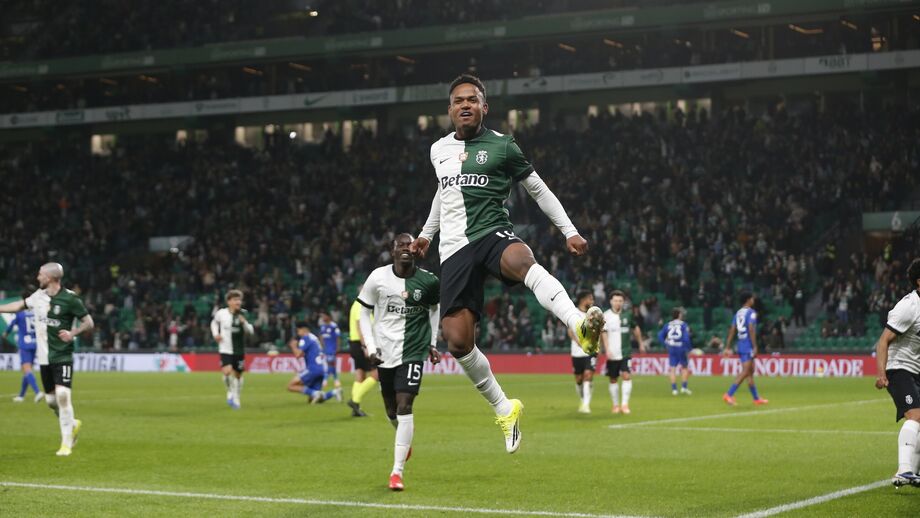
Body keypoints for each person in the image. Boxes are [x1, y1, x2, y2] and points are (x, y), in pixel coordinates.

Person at [410, 74, 604, 454]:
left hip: (491, 232)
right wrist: (425, 235)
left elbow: (537, 188)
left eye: (472, 99)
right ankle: (504, 406)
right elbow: (443, 192)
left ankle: (578, 324)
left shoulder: (502, 147)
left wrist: (569, 230)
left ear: (485, 107)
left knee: (521, 258)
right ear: (449, 110)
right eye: (458, 100)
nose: (465, 105)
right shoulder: (438, 150)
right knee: (458, 341)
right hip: (453, 251)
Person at [357, 233, 441, 490]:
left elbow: (435, 309)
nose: (405, 248)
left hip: (413, 351)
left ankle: (396, 473)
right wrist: (370, 347)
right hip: (384, 351)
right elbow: (363, 312)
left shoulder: (428, 281)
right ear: (392, 250)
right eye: (400, 245)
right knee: (391, 410)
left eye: (409, 245)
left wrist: (432, 342)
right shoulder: (378, 278)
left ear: (416, 250)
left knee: (405, 406)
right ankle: (404, 440)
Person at [0, 262, 94, 456]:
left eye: (40, 274)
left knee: (62, 396)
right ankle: (73, 423)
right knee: (51, 401)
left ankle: (66, 444)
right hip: (45, 359)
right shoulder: (38, 297)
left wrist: (73, 332)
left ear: (50, 278)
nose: (37, 278)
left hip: (62, 355)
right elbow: (18, 305)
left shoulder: (70, 299)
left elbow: (89, 322)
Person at [874, 258, 920, 487]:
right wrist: (882, 373)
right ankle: (904, 471)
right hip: (899, 368)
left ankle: (908, 471)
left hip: (916, 371)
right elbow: (882, 342)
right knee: (915, 415)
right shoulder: (909, 306)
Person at [601, 290, 644, 414]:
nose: (618, 303)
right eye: (615, 300)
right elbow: (603, 333)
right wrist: (606, 349)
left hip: (625, 352)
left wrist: (640, 343)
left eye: (620, 301)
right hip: (612, 353)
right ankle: (615, 405)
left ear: (623, 302)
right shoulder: (606, 315)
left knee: (626, 376)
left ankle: (625, 404)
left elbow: (636, 329)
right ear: (611, 301)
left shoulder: (628, 315)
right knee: (613, 379)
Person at [722, 292, 768, 406]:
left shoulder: (738, 313)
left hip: (740, 343)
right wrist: (755, 346)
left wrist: (727, 346)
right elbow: (751, 329)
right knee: (746, 371)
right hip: (747, 345)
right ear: (748, 300)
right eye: (752, 298)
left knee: (750, 371)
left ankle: (756, 398)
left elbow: (732, 329)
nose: (753, 300)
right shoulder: (751, 313)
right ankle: (729, 394)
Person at [210, 290, 253, 410]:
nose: (238, 302)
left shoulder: (244, 314)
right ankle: (230, 391)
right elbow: (213, 323)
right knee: (227, 371)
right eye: (235, 300)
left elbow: (251, 331)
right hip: (225, 349)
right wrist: (216, 334)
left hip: (239, 350)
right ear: (229, 301)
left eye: (239, 300)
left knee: (238, 375)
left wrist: (244, 323)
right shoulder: (221, 313)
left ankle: (237, 396)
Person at [347, 287, 378, 417]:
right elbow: (360, 326)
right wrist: (366, 346)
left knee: (360, 374)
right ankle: (355, 401)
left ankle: (356, 408)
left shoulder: (355, 305)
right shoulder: (361, 305)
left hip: (355, 343)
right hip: (361, 344)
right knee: (377, 374)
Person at [287, 322, 337, 404]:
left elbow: (298, 355)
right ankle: (333, 392)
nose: (298, 333)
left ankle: (315, 393)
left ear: (303, 329)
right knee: (312, 400)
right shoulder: (314, 338)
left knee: (291, 386)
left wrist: (293, 346)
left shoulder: (305, 338)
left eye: (298, 330)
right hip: (322, 369)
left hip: (313, 369)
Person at [3, 309, 44, 403]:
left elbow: (11, 326)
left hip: (25, 344)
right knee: (27, 370)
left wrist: (5, 334)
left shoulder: (20, 314)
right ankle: (21, 396)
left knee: (27, 369)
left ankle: (37, 392)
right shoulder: (36, 312)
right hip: (35, 343)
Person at [568, 291, 597, 414]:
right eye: (590, 299)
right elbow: (569, 330)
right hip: (577, 352)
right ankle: (583, 399)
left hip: (591, 350)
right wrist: (577, 342)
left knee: (588, 375)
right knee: (579, 379)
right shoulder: (573, 312)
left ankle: (586, 405)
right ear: (583, 300)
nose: (592, 301)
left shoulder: (594, 313)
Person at [658, 307, 692, 396]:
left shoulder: (668, 324)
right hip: (681, 347)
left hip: (672, 347)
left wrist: (666, 343)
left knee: (672, 369)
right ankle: (684, 388)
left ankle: (674, 390)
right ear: (679, 315)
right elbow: (686, 338)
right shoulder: (683, 325)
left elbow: (660, 335)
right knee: (684, 367)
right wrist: (689, 348)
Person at [319, 312, 343, 399]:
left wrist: (338, 347)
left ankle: (326, 380)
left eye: (324, 315)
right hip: (325, 349)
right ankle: (336, 380)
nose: (323, 317)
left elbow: (338, 337)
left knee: (330, 364)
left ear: (328, 316)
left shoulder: (334, 326)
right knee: (328, 365)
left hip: (332, 348)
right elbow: (321, 336)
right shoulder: (323, 326)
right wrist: (322, 346)